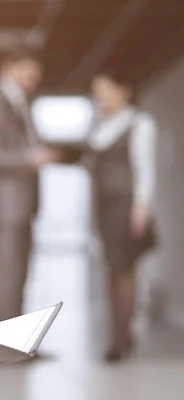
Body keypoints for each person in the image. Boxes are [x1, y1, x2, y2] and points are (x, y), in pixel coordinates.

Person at [0, 49, 60, 324]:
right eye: (28, 67)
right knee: (8, 272)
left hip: (24, 204)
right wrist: (30, 158)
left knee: (20, 273)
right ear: (8, 67)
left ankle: (18, 339)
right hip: (8, 205)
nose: (34, 75)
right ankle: (5, 343)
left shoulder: (22, 103)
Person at [86, 71, 158, 362]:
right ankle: (121, 334)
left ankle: (121, 339)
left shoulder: (139, 123)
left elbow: (145, 168)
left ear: (123, 90)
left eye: (105, 91)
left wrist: (141, 208)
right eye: (96, 92)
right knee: (113, 271)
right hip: (103, 207)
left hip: (125, 207)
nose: (101, 98)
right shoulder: (102, 126)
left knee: (124, 270)